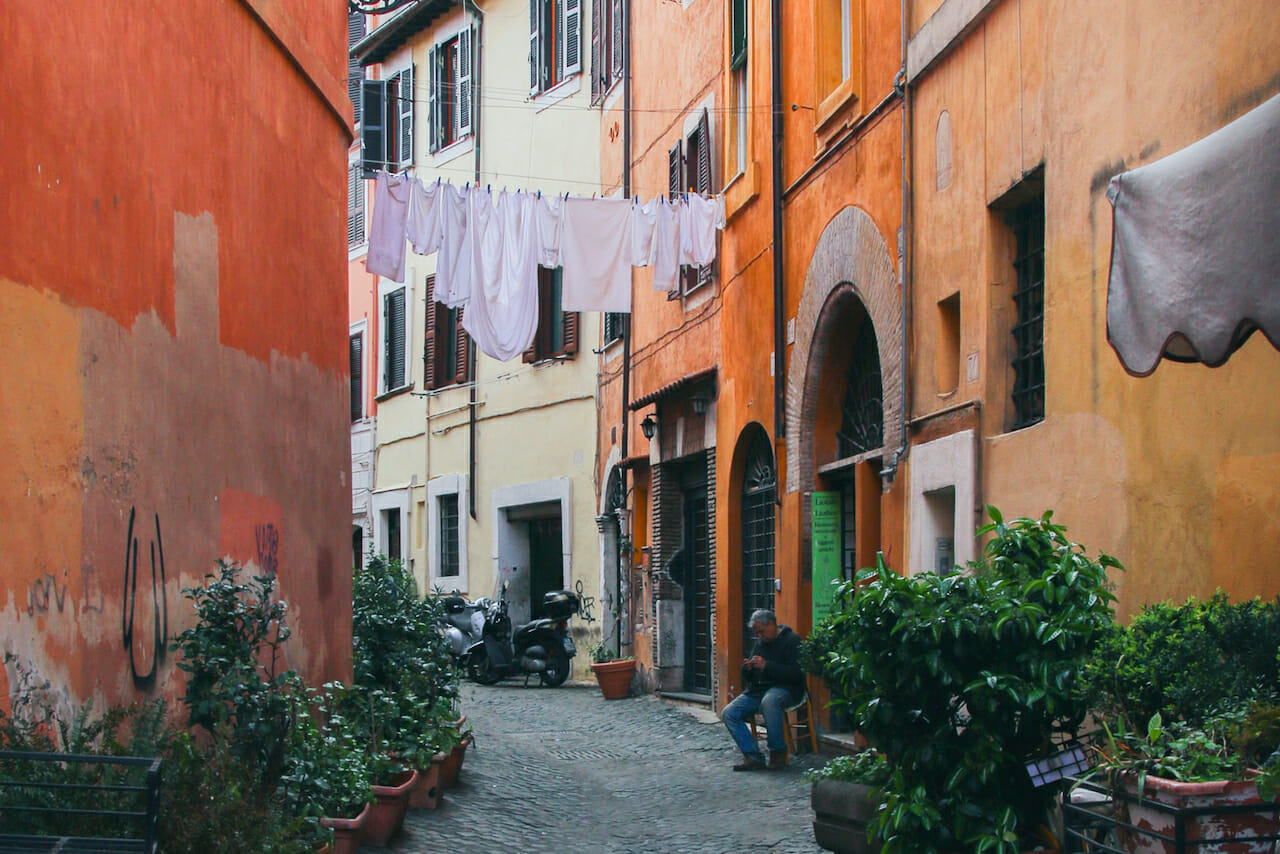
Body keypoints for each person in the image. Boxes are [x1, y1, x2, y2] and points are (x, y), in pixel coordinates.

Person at [720, 609, 804, 771]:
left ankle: (777, 751)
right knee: (729, 712)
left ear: (772, 624)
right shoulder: (761, 644)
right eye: (757, 633)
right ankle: (752, 756)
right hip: (759, 691)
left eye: (762, 632)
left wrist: (767, 666)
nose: (759, 636)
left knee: (769, 701)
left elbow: (796, 674)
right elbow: (750, 679)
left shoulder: (792, 640)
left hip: (787, 689)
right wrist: (747, 669)